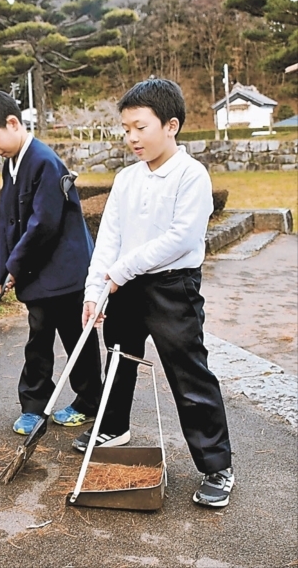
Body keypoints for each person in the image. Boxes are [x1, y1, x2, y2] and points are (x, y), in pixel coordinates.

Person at [78, 78, 234, 508]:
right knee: (118, 358)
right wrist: (95, 290)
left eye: (139, 127)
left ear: (171, 126)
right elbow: (108, 238)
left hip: (171, 288)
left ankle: (217, 464)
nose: (131, 137)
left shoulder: (191, 175)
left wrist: (120, 271)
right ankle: (113, 427)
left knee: (188, 373)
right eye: (125, 128)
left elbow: (181, 239)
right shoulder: (126, 179)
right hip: (122, 287)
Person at [0, 90, 103, 436]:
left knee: (77, 339)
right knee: (39, 339)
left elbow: (44, 225)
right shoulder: (11, 164)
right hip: (37, 273)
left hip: (67, 272)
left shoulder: (44, 161)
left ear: (13, 123)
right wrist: (3, 269)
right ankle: (33, 407)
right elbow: (7, 221)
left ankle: (90, 402)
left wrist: (15, 265)